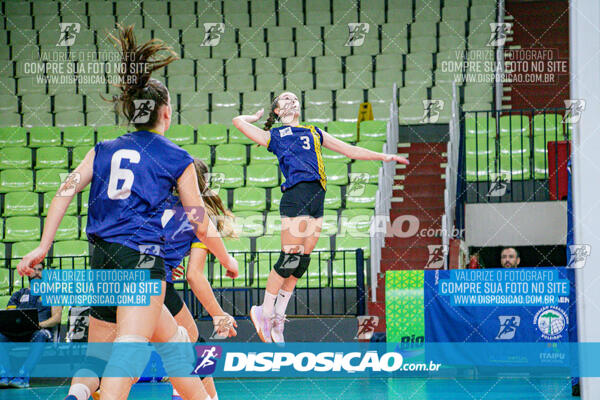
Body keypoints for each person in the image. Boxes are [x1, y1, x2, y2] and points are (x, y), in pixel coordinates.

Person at [17, 25, 237, 400]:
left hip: (100, 256)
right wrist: (227, 258)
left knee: (173, 344)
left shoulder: (102, 149)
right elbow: (199, 222)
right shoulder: (176, 157)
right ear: (166, 113)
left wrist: (42, 245)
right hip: (140, 257)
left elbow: (64, 191)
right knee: (132, 345)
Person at [232, 91, 409, 343]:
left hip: (318, 197)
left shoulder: (314, 131)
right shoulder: (275, 136)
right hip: (296, 194)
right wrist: (255, 116)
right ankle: (264, 310)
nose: (291, 100)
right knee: (289, 256)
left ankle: (278, 318)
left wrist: (384, 156)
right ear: (277, 110)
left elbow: (349, 150)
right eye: (284, 98)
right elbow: (238, 122)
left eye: (294, 97)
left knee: (301, 261)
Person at [75, 158, 238, 400]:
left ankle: (88, 390)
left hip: (120, 274)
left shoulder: (153, 203)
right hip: (158, 285)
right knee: (195, 349)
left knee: (120, 352)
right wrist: (217, 313)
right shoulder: (199, 216)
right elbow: (194, 274)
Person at [0, 262, 62, 388]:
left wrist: (39, 324)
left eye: (40, 270)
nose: (37, 272)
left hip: (40, 331)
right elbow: (10, 315)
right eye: (34, 270)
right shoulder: (18, 295)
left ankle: (23, 376)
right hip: (19, 332)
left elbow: (57, 318)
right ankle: (5, 374)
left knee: (40, 334)